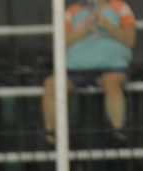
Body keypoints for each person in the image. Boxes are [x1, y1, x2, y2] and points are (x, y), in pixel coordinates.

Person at [43, 0, 138, 145]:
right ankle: (51, 137)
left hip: (111, 66)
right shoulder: (71, 11)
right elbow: (62, 41)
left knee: (111, 82)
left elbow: (130, 39)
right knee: (51, 84)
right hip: (75, 69)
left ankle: (118, 134)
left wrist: (108, 25)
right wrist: (84, 29)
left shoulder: (121, 8)